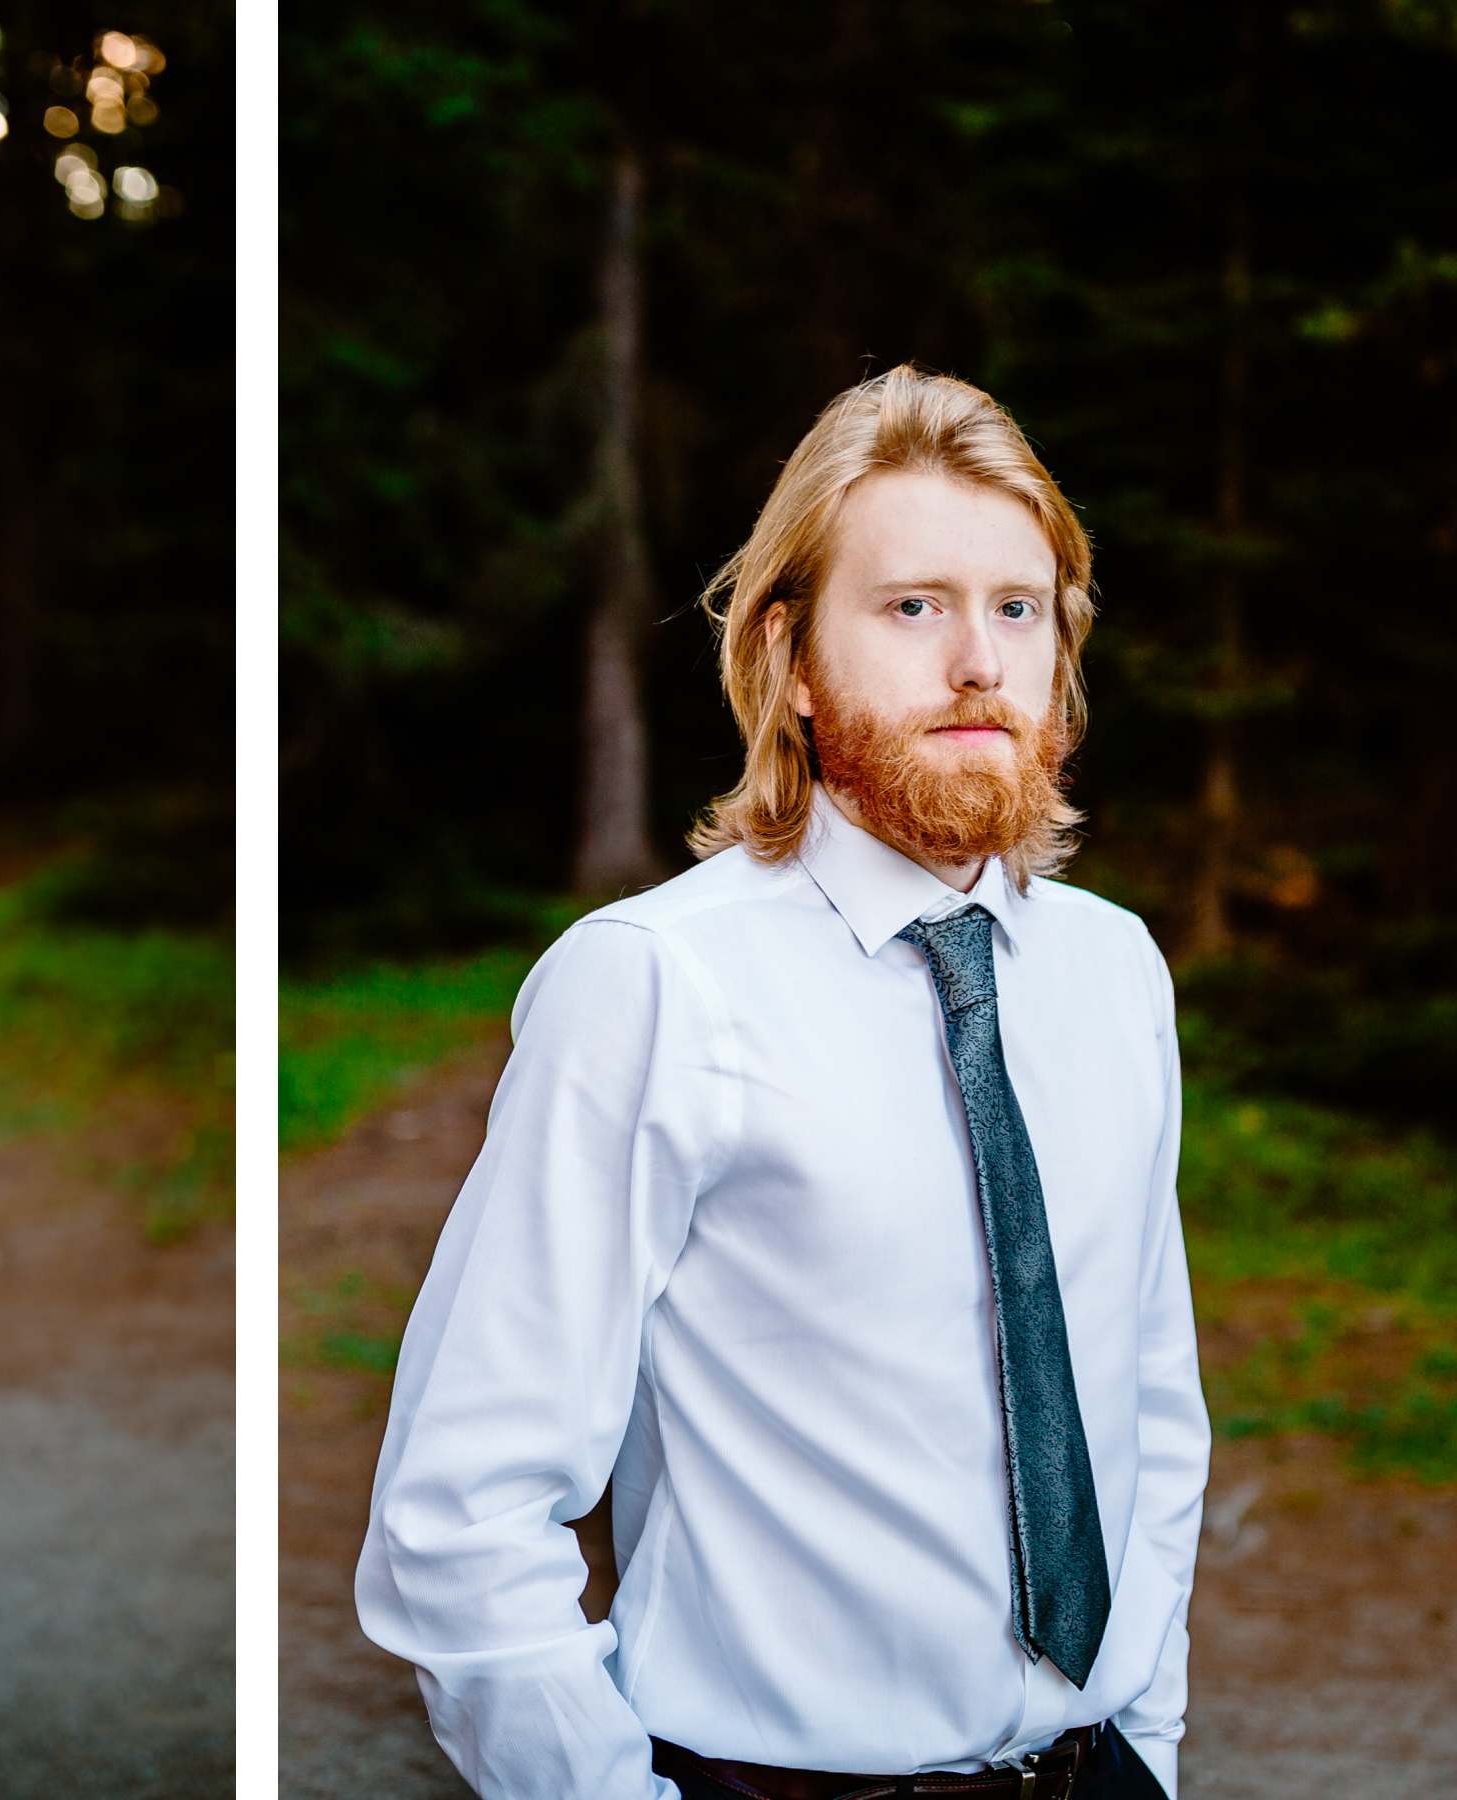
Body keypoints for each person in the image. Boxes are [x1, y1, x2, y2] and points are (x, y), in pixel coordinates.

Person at [355, 364, 1210, 1800]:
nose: (979, 665)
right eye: (913, 607)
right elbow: (462, 1508)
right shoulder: (653, 985)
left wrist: (1153, 1746)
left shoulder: (1116, 974)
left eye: (1018, 609)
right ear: (793, 659)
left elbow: (1150, 1410)